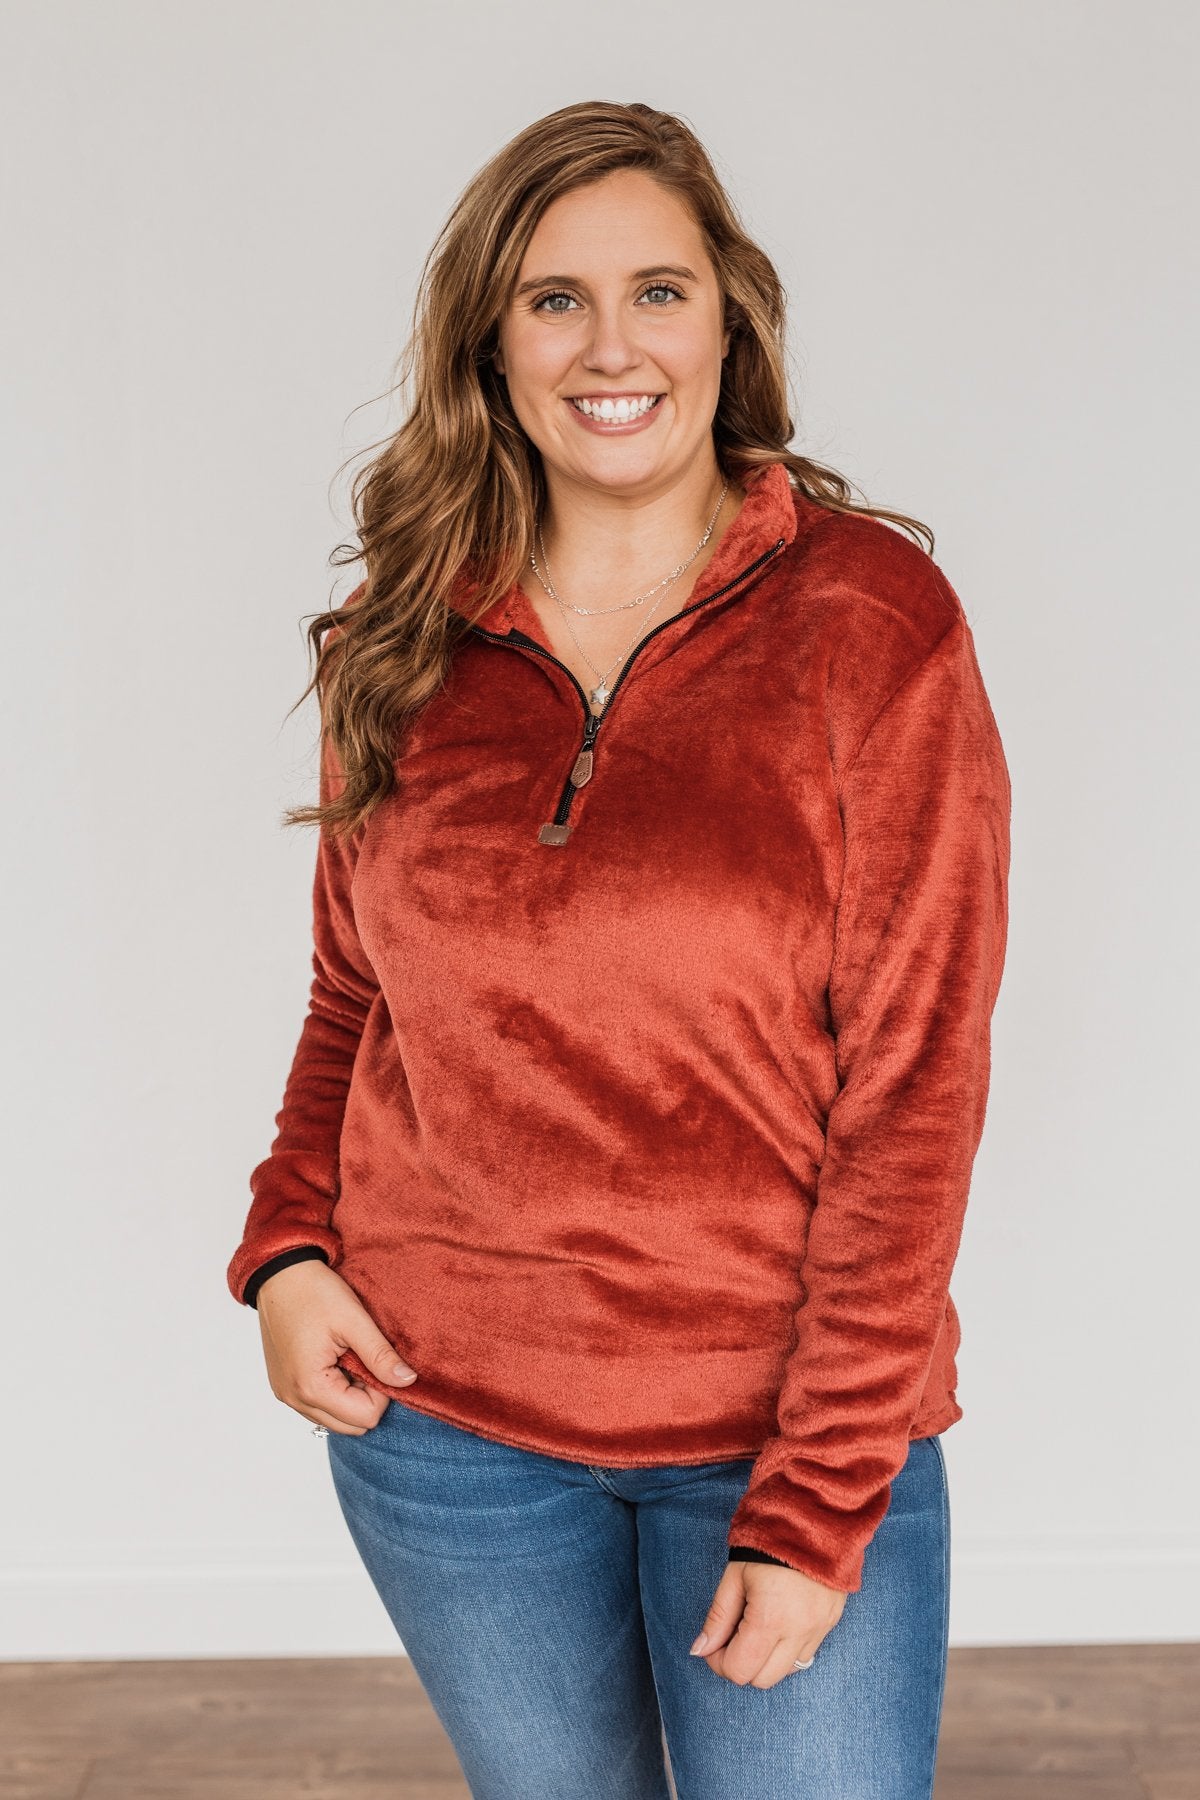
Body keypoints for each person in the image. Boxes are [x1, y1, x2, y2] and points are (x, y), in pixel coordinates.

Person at [227, 99, 1011, 1800]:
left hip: (777, 1431)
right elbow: (355, 993)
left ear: (729, 320)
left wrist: (819, 1499)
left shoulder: (870, 626)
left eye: (658, 291)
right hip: (446, 1431)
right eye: (553, 298)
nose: (610, 346)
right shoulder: (399, 634)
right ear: (490, 342)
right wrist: (286, 1250)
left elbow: (917, 1087)